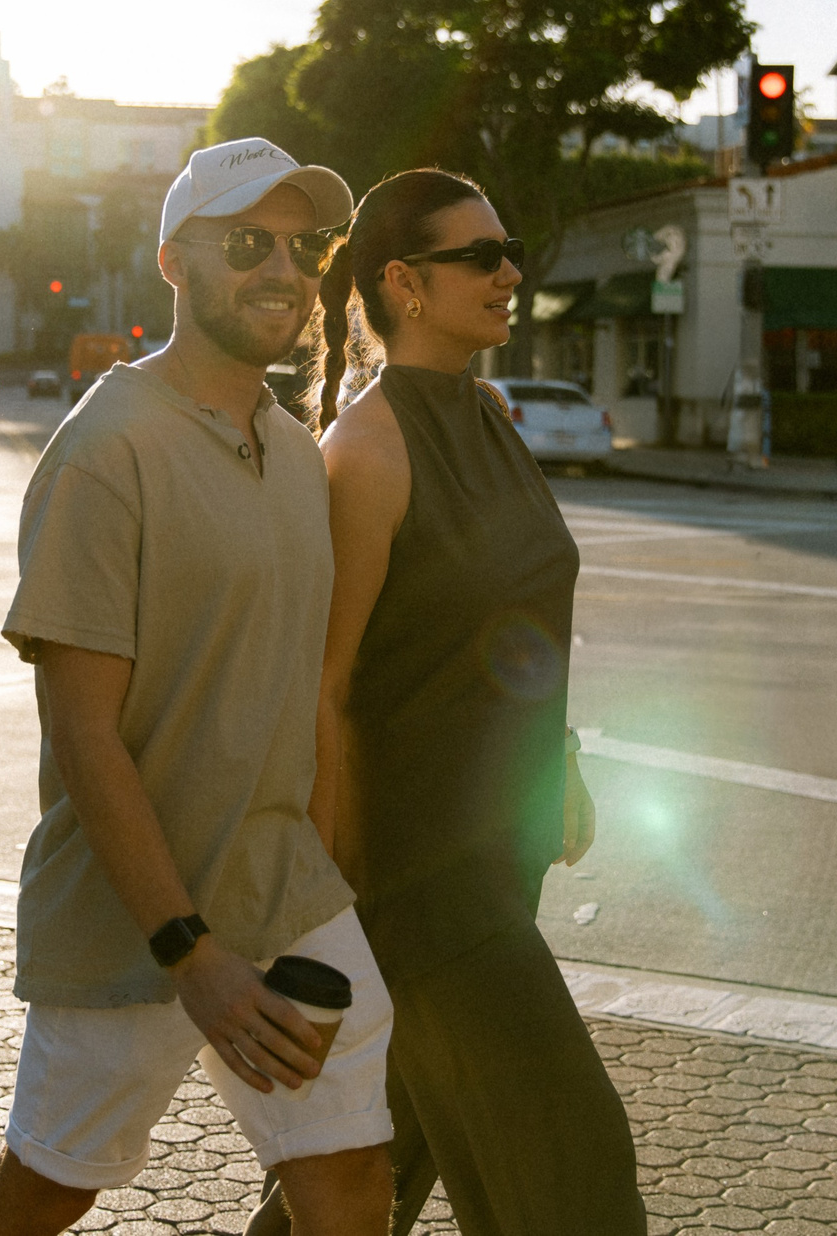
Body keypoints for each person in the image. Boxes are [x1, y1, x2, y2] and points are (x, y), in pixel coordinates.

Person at [0, 139, 393, 1236]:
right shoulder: (106, 450)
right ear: (173, 263)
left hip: (286, 894)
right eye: (245, 243)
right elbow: (84, 734)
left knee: (348, 1168)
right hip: (136, 917)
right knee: (49, 1187)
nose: (281, 269)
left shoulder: (293, 451)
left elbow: (300, 686)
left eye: (303, 246)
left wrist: (322, 863)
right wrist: (188, 952)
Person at [255, 167, 646, 1235]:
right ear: (405, 283)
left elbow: (511, 633)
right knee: (571, 1165)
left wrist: (560, 764)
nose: (510, 273)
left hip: (500, 858)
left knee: (364, 1169)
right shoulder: (366, 452)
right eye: (481, 256)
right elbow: (326, 685)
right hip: (423, 884)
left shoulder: (488, 414)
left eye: (508, 251)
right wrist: (330, 901)